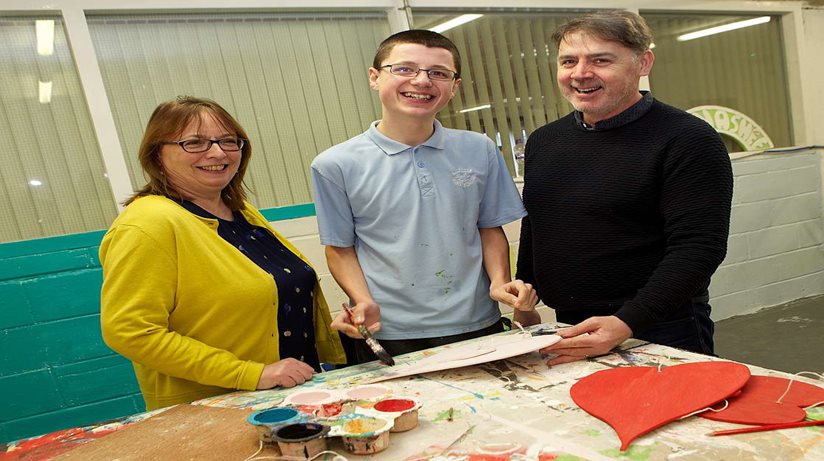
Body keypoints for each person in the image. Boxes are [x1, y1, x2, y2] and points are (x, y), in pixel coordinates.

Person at [100, 96, 345, 410]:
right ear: (157, 154)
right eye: (194, 143)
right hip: (217, 407)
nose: (217, 152)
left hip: (290, 392)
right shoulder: (147, 223)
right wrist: (250, 374)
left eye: (228, 141)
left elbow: (276, 290)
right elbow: (130, 331)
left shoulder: (238, 212)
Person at [516, 11, 733, 365]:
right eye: (569, 61)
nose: (580, 73)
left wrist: (626, 322)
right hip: (571, 324)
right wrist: (526, 287)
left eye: (601, 60)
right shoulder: (545, 141)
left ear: (643, 62)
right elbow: (538, 222)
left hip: (660, 326)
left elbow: (699, 248)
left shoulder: (687, 139)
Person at [311, 30, 540, 363]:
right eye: (404, 69)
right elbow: (339, 247)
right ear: (375, 78)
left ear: (454, 86)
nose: (421, 81)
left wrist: (499, 283)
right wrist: (362, 300)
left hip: (479, 321)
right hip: (390, 330)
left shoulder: (479, 149)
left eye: (438, 73)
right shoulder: (335, 164)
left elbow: (489, 228)